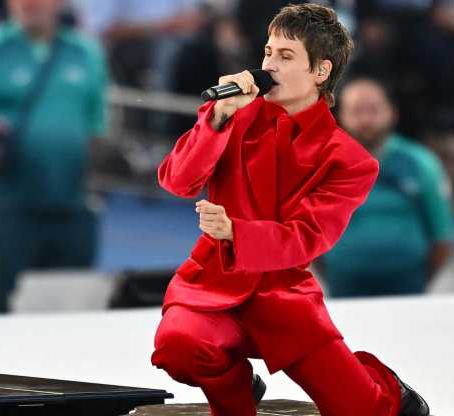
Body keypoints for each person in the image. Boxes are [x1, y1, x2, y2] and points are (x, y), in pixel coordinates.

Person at [151, 4, 430, 415]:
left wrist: (236, 232)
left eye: (285, 56)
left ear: (320, 71)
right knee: (178, 344)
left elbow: (308, 238)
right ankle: (236, 397)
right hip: (213, 283)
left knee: (359, 409)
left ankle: (387, 388)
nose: (269, 65)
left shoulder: (349, 160)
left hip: (283, 296)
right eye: (267, 53)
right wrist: (217, 121)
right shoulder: (230, 116)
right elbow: (177, 181)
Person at [0, 0, 108, 310]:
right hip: (7, 208)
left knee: (73, 310)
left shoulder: (86, 52)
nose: (29, 3)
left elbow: (98, 128)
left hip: (71, 204)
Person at [322, 78, 454, 297]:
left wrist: (421, 280)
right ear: (340, 117)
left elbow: (442, 236)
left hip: (408, 287)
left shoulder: (421, 163)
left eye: (373, 110)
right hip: (344, 290)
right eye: (356, 111)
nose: (366, 119)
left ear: (392, 112)